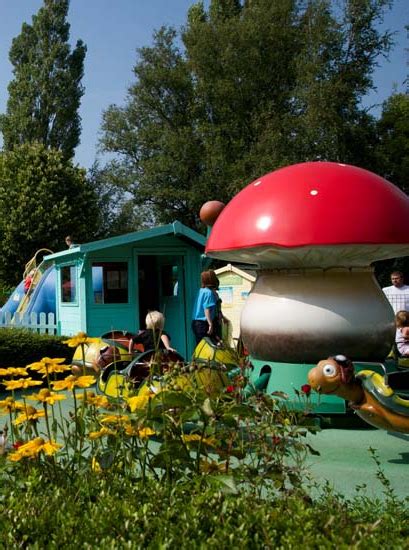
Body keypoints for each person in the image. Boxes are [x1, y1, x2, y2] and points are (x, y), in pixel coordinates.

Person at [191, 270, 220, 345]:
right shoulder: (208, 293)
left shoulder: (201, 291)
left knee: (201, 345)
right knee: (209, 346)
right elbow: (206, 309)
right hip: (203, 323)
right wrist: (210, 324)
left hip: (195, 323)